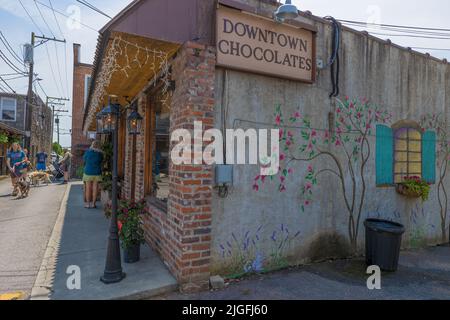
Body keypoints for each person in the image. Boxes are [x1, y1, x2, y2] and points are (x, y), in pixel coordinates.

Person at [83, 141, 103, 209]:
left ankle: (88, 204)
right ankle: (93, 204)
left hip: (88, 172)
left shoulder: (88, 152)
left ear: (92, 145)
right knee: (95, 188)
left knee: (88, 188)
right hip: (97, 172)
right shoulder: (100, 153)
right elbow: (101, 161)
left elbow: (84, 159)